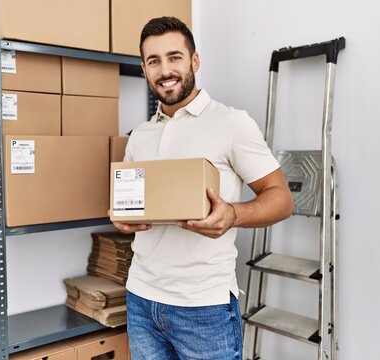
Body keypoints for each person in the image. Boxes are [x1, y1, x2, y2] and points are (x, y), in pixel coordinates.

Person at [111, 16, 294, 360]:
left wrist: (234, 214)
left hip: (203, 307)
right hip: (141, 299)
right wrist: (120, 216)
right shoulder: (140, 136)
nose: (165, 70)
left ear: (194, 61)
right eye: (154, 61)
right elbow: (130, 207)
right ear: (144, 69)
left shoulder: (232, 123)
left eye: (174, 57)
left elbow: (281, 199)